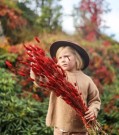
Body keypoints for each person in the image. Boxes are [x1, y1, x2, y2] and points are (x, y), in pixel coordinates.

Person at [31, 41, 101, 135]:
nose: (63, 60)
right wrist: (34, 67)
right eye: (60, 58)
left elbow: (95, 100)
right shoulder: (56, 77)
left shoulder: (87, 80)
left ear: (77, 58)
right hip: (60, 129)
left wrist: (93, 110)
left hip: (80, 130)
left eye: (67, 56)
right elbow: (40, 81)